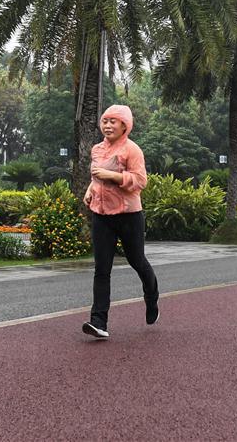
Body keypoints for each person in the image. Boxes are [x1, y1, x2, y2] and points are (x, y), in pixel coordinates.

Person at [82, 104, 159, 339]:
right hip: (102, 215)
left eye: (113, 122)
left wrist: (114, 176)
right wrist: (90, 189)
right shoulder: (97, 149)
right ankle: (99, 322)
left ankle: (151, 296)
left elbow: (140, 181)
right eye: (104, 121)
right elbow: (97, 175)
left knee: (137, 261)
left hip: (129, 216)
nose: (107, 125)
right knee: (101, 270)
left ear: (125, 125)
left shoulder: (132, 150)